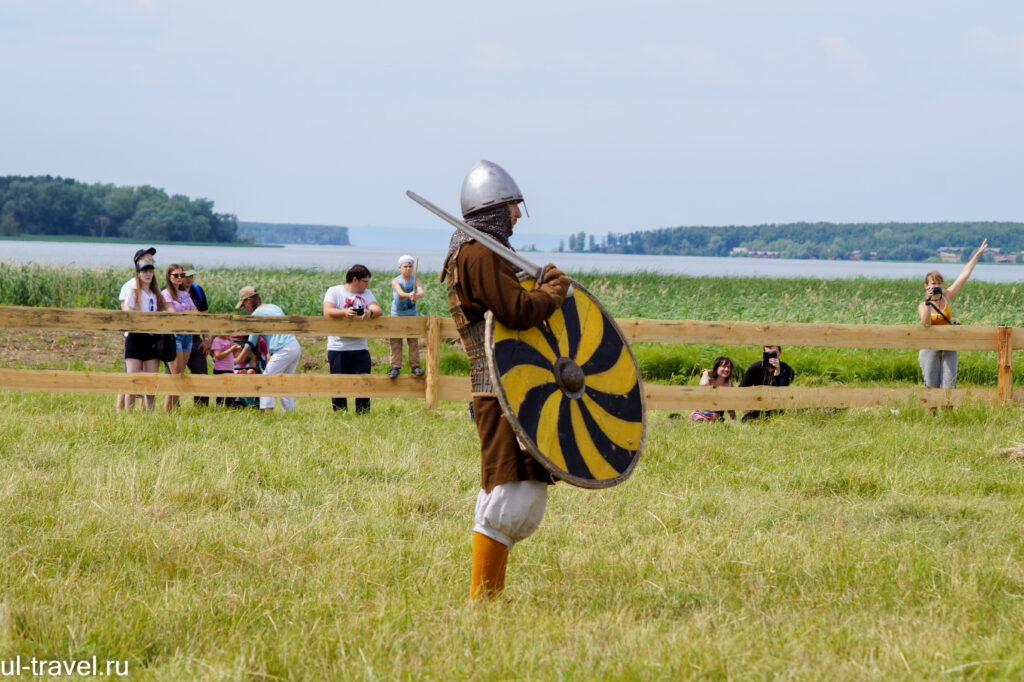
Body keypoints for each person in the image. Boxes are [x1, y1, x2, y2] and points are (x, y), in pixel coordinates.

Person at [442, 160, 570, 599]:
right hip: (501, 389)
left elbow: (509, 301)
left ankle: (488, 598)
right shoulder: (479, 253)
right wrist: (552, 293)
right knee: (510, 493)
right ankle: (484, 601)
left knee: (515, 488)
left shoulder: (478, 251)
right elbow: (516, 311)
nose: (518, 216)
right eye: (514, 207)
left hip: (507, 387)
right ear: (493, 208)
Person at [917, 239, 988, 389]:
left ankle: (948, 411)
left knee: (949, 385)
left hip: (949, 344)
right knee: (931, 385)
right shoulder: (923, 305)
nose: (936, 286)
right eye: (933, 284)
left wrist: (977, 255)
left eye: (938, 283)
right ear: (926, 286)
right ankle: (932, 412)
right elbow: (926, 323)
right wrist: (930, 301)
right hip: (930, 346)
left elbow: (964, 275)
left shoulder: (947, 297)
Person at [323, 264, 383, 413]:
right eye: (365, 281)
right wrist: (344, 312)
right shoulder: (334, 291)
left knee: (363, 383)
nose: (367, 285)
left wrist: (369, 312)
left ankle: (362, 414)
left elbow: (378, 309)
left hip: (360, 346)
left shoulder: (367, 294)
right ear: (355, 279)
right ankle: (340, 413)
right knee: (339, 384)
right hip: (338, 346)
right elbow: (327, 310)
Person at [117, 248, 172, 411]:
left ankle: (149, 413)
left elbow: (162, 309)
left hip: (151, 338)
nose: (148, 275)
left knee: (151, 380)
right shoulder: (133, 290)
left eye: (150, 271)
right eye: (144, 271)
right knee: (132, 379)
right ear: (138, 273)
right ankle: (128, 413)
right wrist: (142, 319)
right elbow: (126, 310)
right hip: (135, 336)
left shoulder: (155, 293)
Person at [234, 286, 302, 412]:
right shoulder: (274, 307)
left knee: (266, 379)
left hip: (283, 348)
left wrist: (237, 360)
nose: (246, 309)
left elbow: (250, 344)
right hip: (294, 345)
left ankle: (267, 412)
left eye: (244, 305)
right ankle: (289, 412)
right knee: (285, 383)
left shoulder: (256, 315)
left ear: (248, 301)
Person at [161, 263, 198, 412]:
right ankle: (168, 410)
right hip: (174, 336)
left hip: (187, 335)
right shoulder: (166, 294)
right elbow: (172, 313)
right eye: (175, 275)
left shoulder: (185, 294)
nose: (179, 278)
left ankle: (174, 408)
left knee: (180, 375)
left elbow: (196, 312)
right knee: (174, 375)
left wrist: (188, 314)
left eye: (181, 275)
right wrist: (188, 313)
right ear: (169, 277)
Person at [388, 255, 426, 380]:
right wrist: (410, 294)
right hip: (397, 314)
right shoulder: (395, 280)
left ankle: (415, 366)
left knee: (413, 341)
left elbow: (422, 292)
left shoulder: (416, 280)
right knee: (395, 341)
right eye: (405, 266)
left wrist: (417, 295)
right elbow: (399, 293)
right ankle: (395, 367)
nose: (408, 269)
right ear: (400, 268)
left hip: (411, 315)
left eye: (410, 266)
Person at [179, 261, 211, 405]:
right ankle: (172, 407)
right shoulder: (168, 292)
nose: (189, 279)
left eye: (191, 276)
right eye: (186, 276)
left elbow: (204, 316)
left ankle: (202, 407)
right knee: (174, 375)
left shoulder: (198, 291)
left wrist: (206, 339)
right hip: (177, 339)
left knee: (202, 376)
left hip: (195, 340)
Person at [738, 344, 794, 421]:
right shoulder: (756, 367)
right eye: (768, 353)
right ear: (764, 353)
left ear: (780, 353)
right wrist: (748, 404)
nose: (771, 357)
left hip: (777, 407)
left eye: (774, 353)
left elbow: (782, 391)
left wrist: (777, 371)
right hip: (758, 405)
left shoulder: (787, 369)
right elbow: (742, 388)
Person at [689, 356, 737, 422]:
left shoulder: (730, 385)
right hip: (701, 414)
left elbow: (730, 406)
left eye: (728, 367)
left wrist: (734, 421)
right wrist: (705, 373)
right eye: (723, 366)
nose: (726, 369)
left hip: (716, 417)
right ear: (716, 368)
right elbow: (703, 385)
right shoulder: (708, 381)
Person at [210, 333, 241, 406]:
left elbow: (233, 355)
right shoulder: (217, 340)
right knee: (220, 392)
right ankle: (219, 406)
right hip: (220, 370)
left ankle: (229, 406)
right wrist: (231, 349)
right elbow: (218, 356)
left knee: (229, 391)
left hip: (230, 369)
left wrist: (235, 350)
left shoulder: (228, 340)